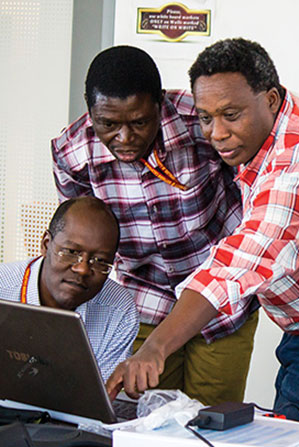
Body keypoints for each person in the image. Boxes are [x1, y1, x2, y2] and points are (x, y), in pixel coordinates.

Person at [106, 37, 299, 422]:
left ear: (269, 100)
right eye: (205, 117)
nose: (216, 133)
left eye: (231, 115)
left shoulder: (295, 170)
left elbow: (239, 261)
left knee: (294, 437)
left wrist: (156, 347)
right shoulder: (271, 106)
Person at [51, 45, 257, 405]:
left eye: (140, 122)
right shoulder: (73, 155)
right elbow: (81, 237)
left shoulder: (202, 122)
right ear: (89, 109)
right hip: (145, 301)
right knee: (145, 419)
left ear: (159, 103)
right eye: (108, 124)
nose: (125, 138)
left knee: (212, 424)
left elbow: (250, 189)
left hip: (221, 304)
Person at [0, 196, 139, 381]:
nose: (82, 269)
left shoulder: (119, 311)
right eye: (72, 252)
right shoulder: (3, 287)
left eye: (99, 261)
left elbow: (97, 403)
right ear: (45, 244)